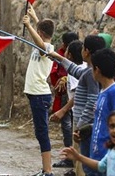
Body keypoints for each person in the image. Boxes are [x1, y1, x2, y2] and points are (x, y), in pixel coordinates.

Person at [48, 35, 105, 176]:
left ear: (86, 51)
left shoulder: (92, 74)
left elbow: (92, 100)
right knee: (79, 161)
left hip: (84, 127)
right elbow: (75, 70)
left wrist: (80, 125)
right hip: (82, 125)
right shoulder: (89, 70)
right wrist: (58, 57)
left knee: (81, 164)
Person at [22, 4, 56, 176]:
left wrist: (28, 26)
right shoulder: (45, 41)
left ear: (41, 33)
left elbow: (41, 45)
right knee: (40, 132)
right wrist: (35, 18)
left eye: (37, 29)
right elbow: (41, 34)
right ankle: (45, 170)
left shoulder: (48, 48)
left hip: (40, 95)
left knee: (42, 133)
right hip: (36, 95)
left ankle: (48, 171)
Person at [88, 47, 115, 165]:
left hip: (107, 156)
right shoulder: (103, 91)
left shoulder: (114, 92)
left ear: (97, 70)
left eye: (92, 68)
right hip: (97, 152)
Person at [51, 31, 79, 170]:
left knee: (70, 127)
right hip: (65, 96)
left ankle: (71, 158)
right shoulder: (65, 56)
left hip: (70, 101)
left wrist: (63, 109)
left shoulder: (78, 69)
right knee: (70, 127)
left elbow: (77, 94)